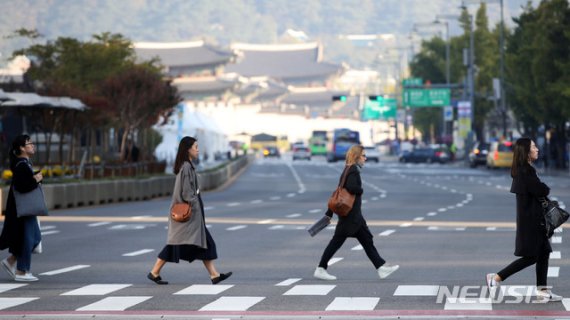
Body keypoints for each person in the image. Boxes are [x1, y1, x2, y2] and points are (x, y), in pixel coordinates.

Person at [486, 138, 562, 302]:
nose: (537, 149)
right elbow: (541, 190)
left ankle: (542, 292)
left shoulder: (523, 170)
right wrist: (544, 188)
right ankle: (497, 277)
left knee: (543, 254)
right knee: (532, 256)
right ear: (526, 151)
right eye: (534, 147)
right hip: (532, 221)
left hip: (532, 219)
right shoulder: (526, 171)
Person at [147, 136, 232, 285]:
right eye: (196, 147)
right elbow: (187, 193)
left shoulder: (188, 165)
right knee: (192, 243)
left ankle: (214, 275)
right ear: (188, 150)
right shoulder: (186, 167)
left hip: (191, 213)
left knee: (195, 243)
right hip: (188, 213)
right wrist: (196, 206)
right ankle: (155, 272)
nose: (198, 150)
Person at [314, 145, 399, 281]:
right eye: (363, 156)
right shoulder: (353, 170)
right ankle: (321, 268)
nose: (365, 158)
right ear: (356, 156)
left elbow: (339, 191)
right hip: (350, 217)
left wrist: (330, 212)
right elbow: (352, 188)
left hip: (354, 217)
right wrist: (361, 190)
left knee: (367, 241)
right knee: (337, 242)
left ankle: (381, 267)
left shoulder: (347, 169)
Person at [0, 134, 43, 282]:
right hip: (23, 209)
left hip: (25, 208)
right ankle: (21, 271)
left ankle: (11, 261)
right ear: (22, 148)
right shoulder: (21, 164)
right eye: (29, 143)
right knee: (29, 238)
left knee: (34, 237)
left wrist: (35, 178)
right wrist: (36, 179)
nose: (32, 145)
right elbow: (22, 186)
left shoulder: (24, 163)